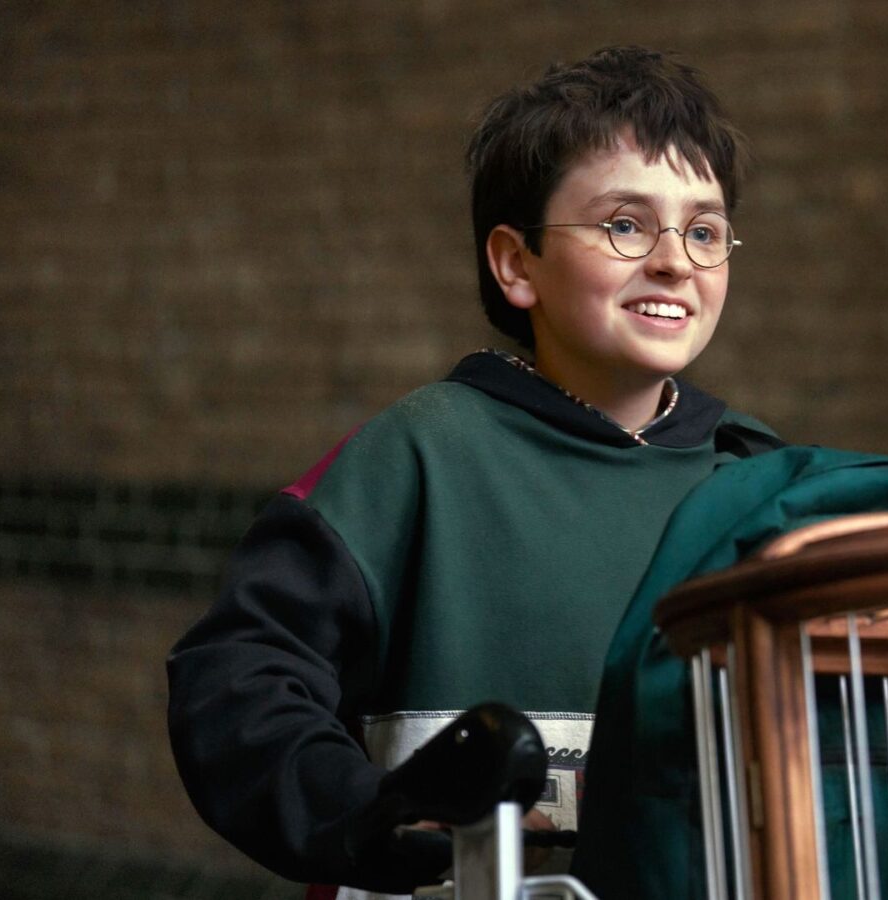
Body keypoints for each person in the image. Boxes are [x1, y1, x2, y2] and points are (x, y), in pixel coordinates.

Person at [166, 45, 783, 898]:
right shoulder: (419, 456)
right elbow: (235, 681)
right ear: (516, 263)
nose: (675, 261)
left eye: (705, 231)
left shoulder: (762, 481)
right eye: (625, 224)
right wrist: (370, 812)